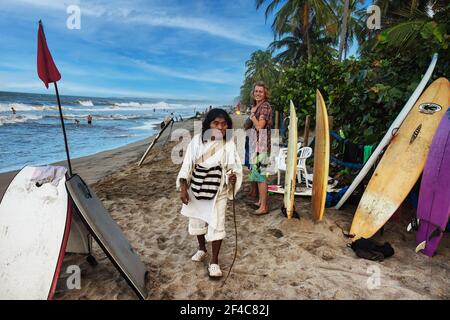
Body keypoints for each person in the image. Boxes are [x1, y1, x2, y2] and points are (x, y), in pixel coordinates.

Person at [176, 108, 242, 278]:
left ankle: (214, 261)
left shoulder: (229, 144)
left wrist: (231, 178)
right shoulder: (197, 141)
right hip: (197, 188)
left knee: (217, 224)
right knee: (197, 220)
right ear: (209, 124)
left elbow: (233, 168)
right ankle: (202, 248)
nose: (220, 127)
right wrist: (183, 188)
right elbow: (187, 165)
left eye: (224, 124)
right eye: (216, 123)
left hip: (218, 190)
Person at [247, 81, 272, 215]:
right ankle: (261, 202)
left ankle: (264, 206)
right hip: (255, 144)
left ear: (265, 93)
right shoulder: (257, 106)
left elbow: (259, 126)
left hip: (261, 146)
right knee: (257, 175)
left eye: (260, 91)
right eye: (256, 91)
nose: (257, 93)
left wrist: (252, 116)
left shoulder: (265, 107)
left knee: (261, 176)